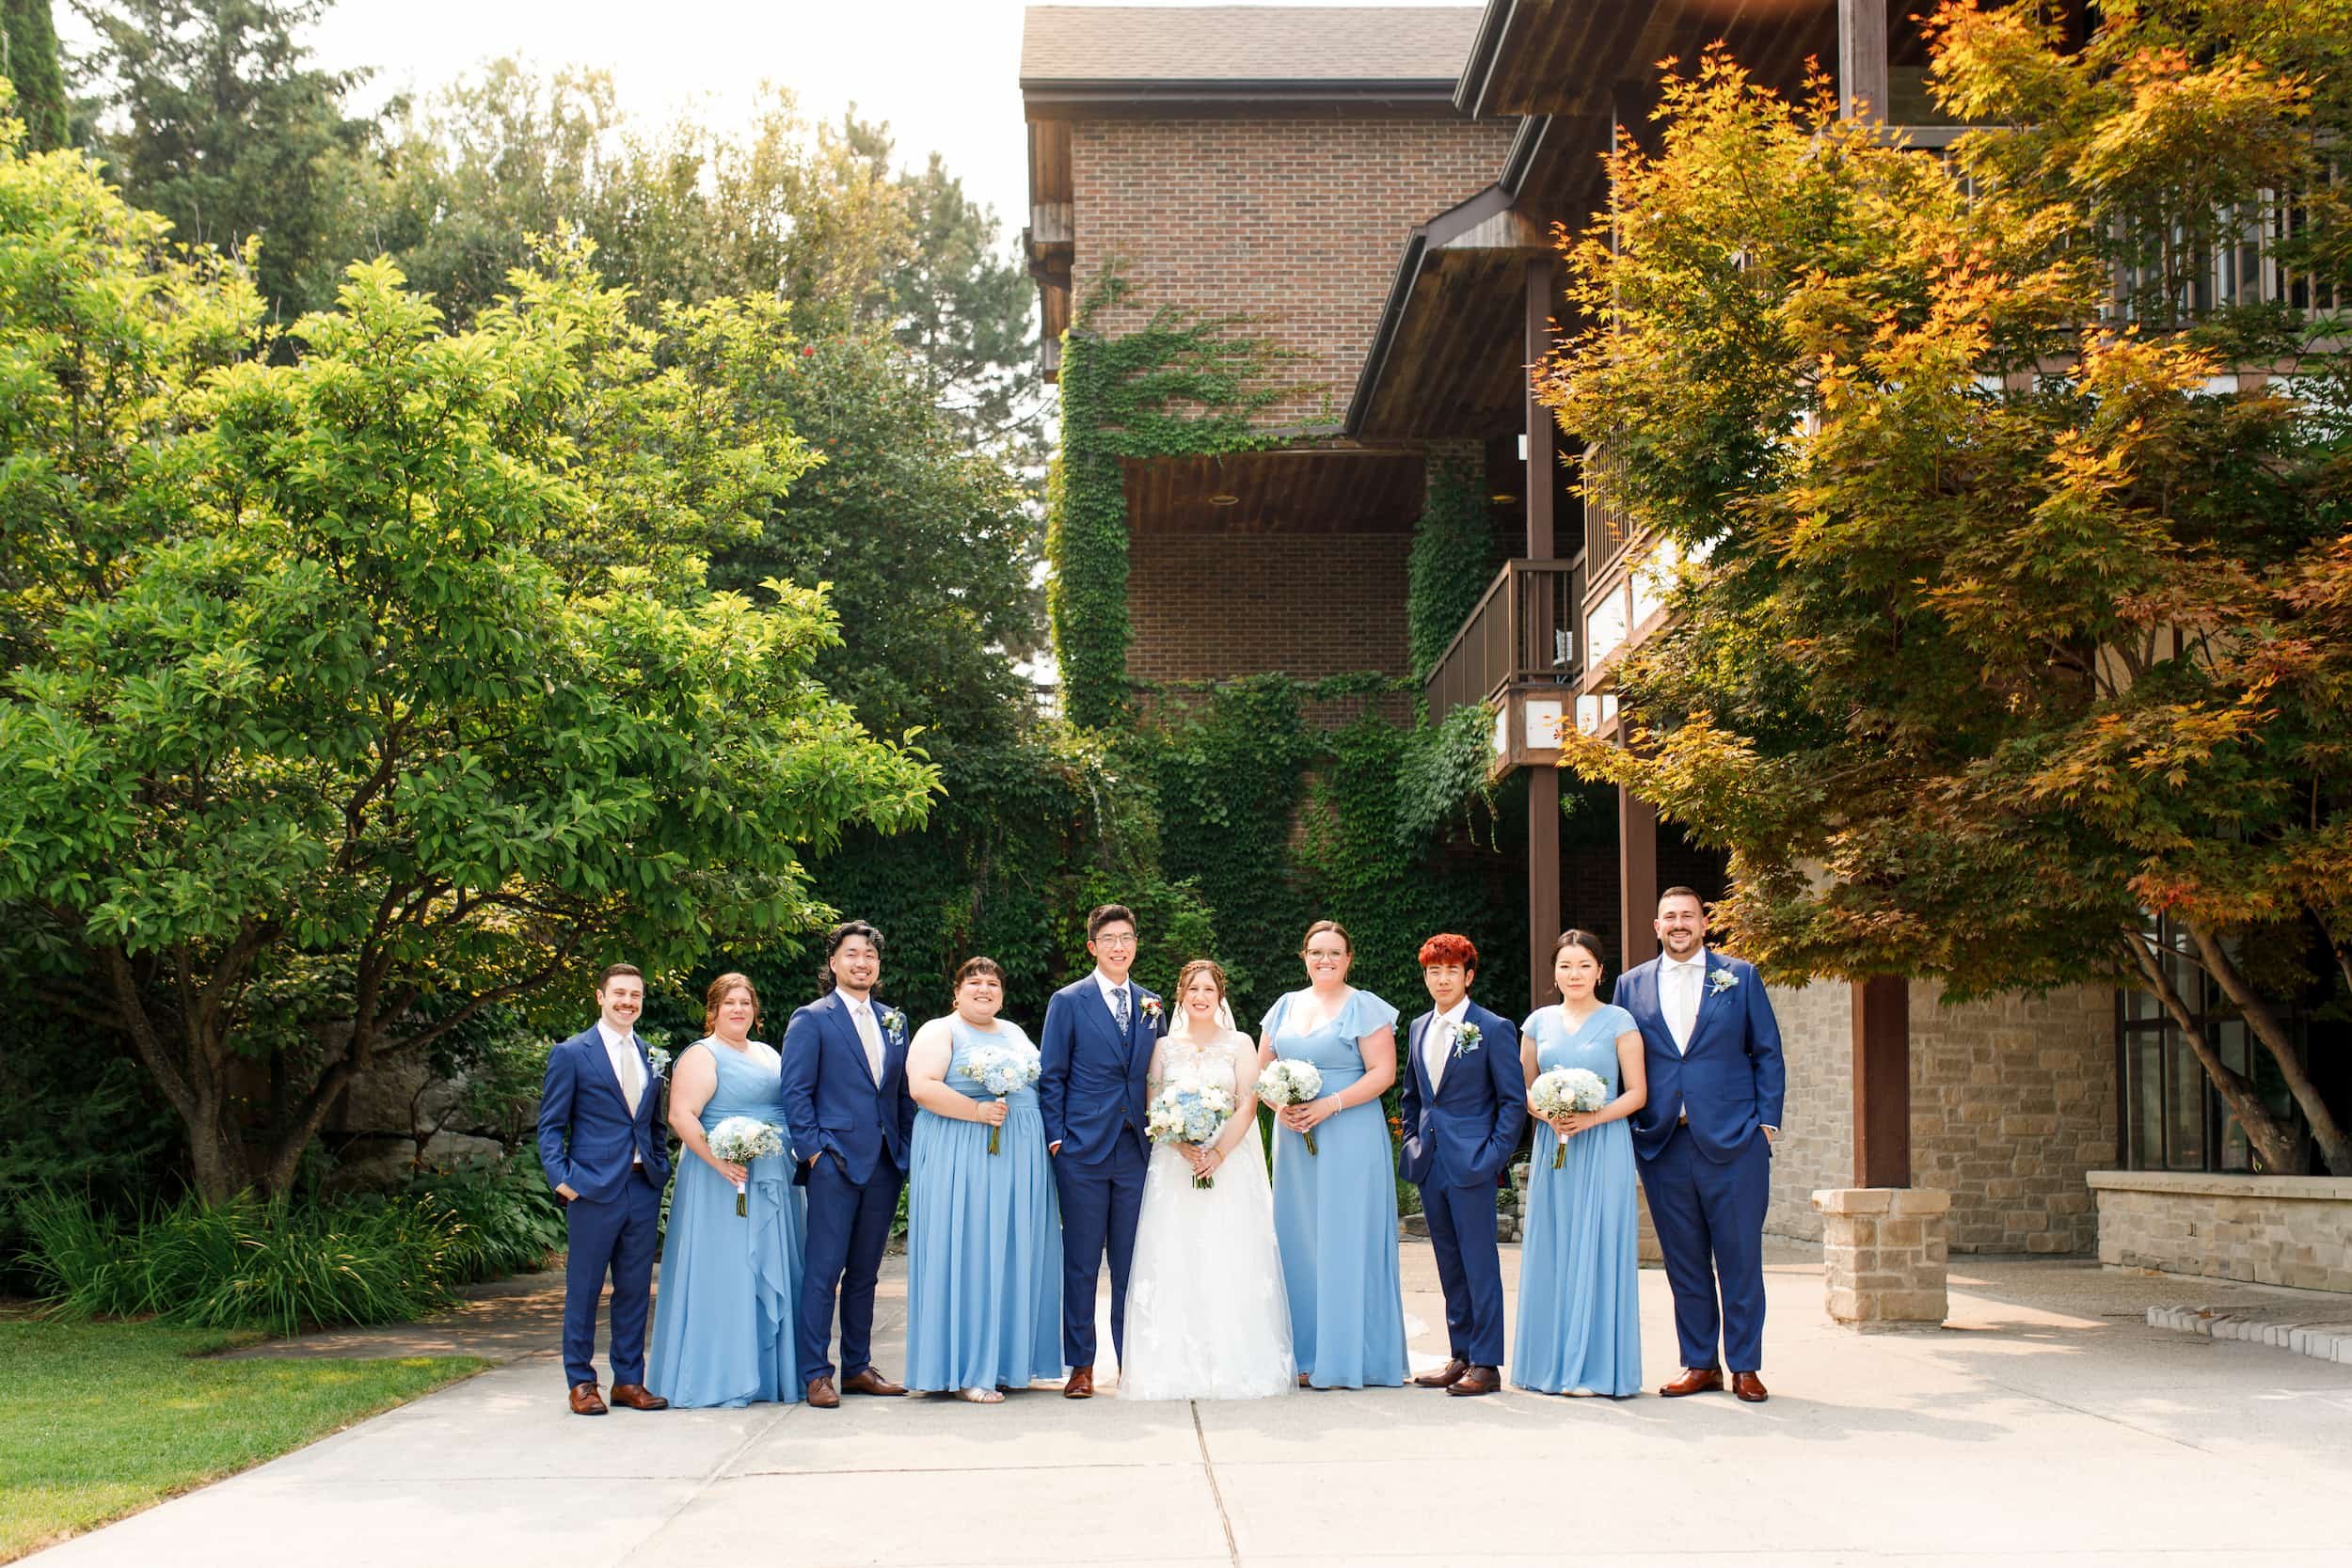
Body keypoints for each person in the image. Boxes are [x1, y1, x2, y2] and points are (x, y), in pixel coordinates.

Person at [1616, 887, 1786, 1402]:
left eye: (1688, 915)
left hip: (1735, 1143)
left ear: (1704, 923)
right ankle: (1699, 1363)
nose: (1679, 924)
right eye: (1669, 916)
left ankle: (1746, 1365)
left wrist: (1766, 1125)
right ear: (1656, 926)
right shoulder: (1632, 985)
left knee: (1739, 1257)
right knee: (1684, 1261)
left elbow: (1767, 1052)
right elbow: (1619, 1056)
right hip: (1665, 1142)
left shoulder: (1740, 976)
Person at [1120, 959, 1295, 1402]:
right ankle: (1176, 1364)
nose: (1201, 997)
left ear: (1220, 998)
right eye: (1193, 989)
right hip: (1176, 1165)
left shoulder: (1239, 1044)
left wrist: (1216, 1152)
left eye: (1209, 991)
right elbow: (1154, 1104)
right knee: (1177, 1254)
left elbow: (1248, 1105)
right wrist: (1182, 1145)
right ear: (1181, 996)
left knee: (1227, 1253)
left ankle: (1233, 1359)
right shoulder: (1163, 1047)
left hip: (1229, 1163)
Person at [902, 958, 1063, 1402]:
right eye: (974, 982)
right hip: (964, 1155)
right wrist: (976, 1111)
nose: (984, 989)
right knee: (972, 1250)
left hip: (1019, 1157)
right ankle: (970, 1368)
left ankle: (1009, 1363)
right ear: (956, 993)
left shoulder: (1014, 1032)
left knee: (1013, 1250)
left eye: (993, 983)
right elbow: (922, 1087)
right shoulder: (939, 1030)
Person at [1259, 920, 1406, 1389]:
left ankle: (1351, 1355)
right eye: (1316, 952)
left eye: (1335, 953)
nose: (1325, 960)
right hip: (1294, 1138)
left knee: (1347, 1238)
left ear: (1349, 959)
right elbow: (1260, 1072)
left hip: (1350, 1134)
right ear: (1303, 956)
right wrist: (1279, 1103)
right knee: (1299, 1240)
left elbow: (1383, 1073)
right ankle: (1302, 1353)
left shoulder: (1364, 1006)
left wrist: (1329, 1104)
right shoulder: (1283, 1006)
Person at [645, 973, 804, 1407]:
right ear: (712, 1010)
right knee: (729, 1271)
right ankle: (723, 1376)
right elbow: (682, 1116)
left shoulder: (769, 1054)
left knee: (769, 1269)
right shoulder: (702, 1055)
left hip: (774, 1179)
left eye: (746, 1003)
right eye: (729, 1003)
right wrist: (720, 1163)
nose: (738, 1010)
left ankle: (770, 1378)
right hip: (722, 1180)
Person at [779, 920, 916, 1408]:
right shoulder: (811, 1018)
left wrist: (903, 1152)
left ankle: (858, 1366)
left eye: (870, 956)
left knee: (865, 1272)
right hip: (833, 1162)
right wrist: (814, 1153)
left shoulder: (895, 1020)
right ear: (834, 962)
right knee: (823, 1271)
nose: (862, 962)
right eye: (852, 954)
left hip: (882, 1162)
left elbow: (900, 1094)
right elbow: (795, 1092)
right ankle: (816, 1372)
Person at [1037, 903, 1165, 1399]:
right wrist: (1057, 1140)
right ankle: (1082, 1366)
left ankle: (1132, 1360)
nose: (1119, 946)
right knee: (1082, 1262)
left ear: (1135, 943)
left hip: (1136, 1150)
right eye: (1109, 939)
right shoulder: (1068, 1001)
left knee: (1133, 1263)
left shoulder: (1152, 1003)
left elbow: (1155, 1072)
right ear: (1093, 946)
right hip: (1082, 1152)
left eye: (1127, 937)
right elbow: (1053, 1076)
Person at [1514, 930, 1646, 1398]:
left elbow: (1637, 1093)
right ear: (1554, 972)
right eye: (1566, 965)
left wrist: (1591, 1118)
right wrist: (1548, 1113)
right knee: (1554, 1245)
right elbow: (1526, 1089)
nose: (1574, 974)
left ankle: (1594, 1368)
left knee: (1598, 1246)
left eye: (1584, 965)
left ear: (1600, 971)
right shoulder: (1537, 1023)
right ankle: (1549, 1365)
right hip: (1555, 1146)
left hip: (1604, 1143)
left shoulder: (1619, 1021)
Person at [536, 962, 672, 1416]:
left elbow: (653, 1124)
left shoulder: (652, 1054)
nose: (626, 1002)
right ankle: (581, 1382)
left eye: (634, 995)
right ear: (600, 996)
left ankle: (629, 1381)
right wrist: (563, 1180)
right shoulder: (572, 1053)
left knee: (634, 1290)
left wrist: (659, 1168)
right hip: (592, 1190)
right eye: (618, 993)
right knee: (585, 1288)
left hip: (641, 1189)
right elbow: (551, 1127)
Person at [1396, 933, 1524, 1398]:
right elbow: (1412, 1095)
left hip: (1474, 1163)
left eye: (1451, 970)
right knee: (1449, 1262)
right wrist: (1411, 1140)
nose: (1441, 978)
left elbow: (1513, 1102)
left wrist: (1492, 1156)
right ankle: (1461, 1354)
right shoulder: (1417, 1027)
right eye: (1433, 970)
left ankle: (1486, 1363)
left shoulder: (1493, 1028)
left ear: (1468, 976)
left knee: (1479, 1262)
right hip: (1431, 1164)